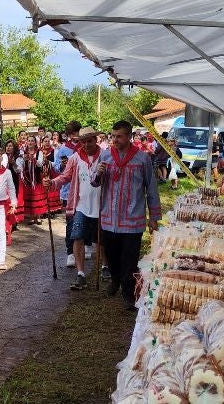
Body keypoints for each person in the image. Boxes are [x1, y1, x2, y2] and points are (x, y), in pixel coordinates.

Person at [92, 120, 162, 311]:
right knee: (112, 254)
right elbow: (94, 182)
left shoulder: (142, 159)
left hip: (133, 217)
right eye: (113, 136)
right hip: (110, 218)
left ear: (129, 136)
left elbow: (151, 187)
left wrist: (153, 216)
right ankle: (115, 278)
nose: (115, 139)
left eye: (119, 136)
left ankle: (128, 293)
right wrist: (98, 174)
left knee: (130, 258)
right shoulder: (105, 156)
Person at [48, 127, 103, 290]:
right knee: (77, 236)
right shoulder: (75, 158)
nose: (86, 144)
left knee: (101, 240)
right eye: (83, 141)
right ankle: (80, 274)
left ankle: (104, 268)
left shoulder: (105, 156)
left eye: (90, 140)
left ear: (95, 140)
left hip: (102, 205)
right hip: (81, 205)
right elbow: (66, 176)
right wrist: (52, 183)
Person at [54, 121, 81, 268]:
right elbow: (57, 167)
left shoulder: (85, 146)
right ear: (69, 135)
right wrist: (62, 165)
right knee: (71, 220)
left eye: (78, 132)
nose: (76, 136)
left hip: (84, 189)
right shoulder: (63, 149)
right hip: (68, 190)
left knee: (84, 218)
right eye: (73, 133)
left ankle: (86, 243)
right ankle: (70, 251)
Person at [18, 142, 51, 224]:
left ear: (34, 143)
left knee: (37, 196)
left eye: (32, 140)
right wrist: (25, 160)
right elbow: (20, 165)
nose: (30, 142)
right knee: (30, 197)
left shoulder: (38, 152)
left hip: (36, 177)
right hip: (27, 177)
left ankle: (39, 216)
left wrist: (34, 160)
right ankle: (32, 217)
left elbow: (40, 164)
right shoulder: (23, 152)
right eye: (29, 140)